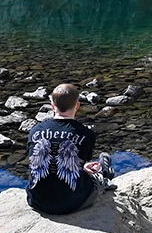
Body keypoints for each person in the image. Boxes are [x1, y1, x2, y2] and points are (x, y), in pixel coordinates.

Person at [26, 83, 114, 215]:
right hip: (74, 203)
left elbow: (35, 163)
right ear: (77, 106)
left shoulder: (35, 131)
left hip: (37, 202)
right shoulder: (85, 134)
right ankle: (102, 174)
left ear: (52, 106)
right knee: (95, 179)